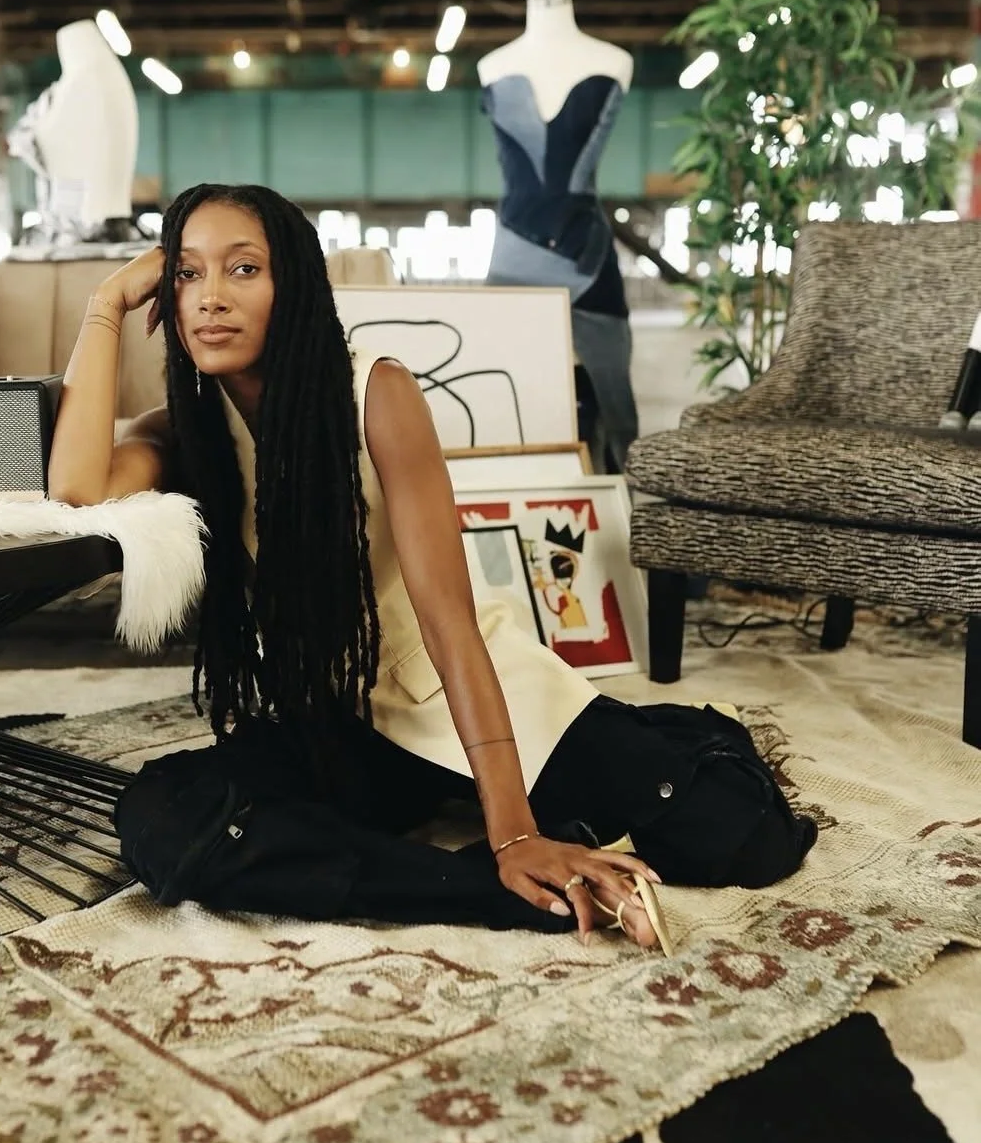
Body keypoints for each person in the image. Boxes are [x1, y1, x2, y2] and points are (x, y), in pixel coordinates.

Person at [49, 183, 816, 954]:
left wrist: (513, 830)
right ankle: (487, 891)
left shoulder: (373, 393)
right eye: (186, 275)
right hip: (343, 725)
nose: (211, 298)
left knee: (739, 835)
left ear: (295, 287)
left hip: (459, 695)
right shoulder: (190, 432)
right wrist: (107, 304)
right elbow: (79, 487)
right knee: (168, 821)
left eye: (242, 270)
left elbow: (450, 624)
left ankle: (587, 792)